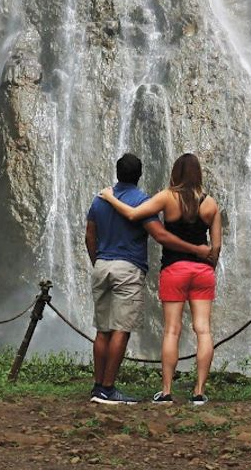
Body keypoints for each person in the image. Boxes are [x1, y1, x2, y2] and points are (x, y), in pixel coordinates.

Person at [85, 152, 211, 405]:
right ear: (140, 175)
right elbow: (160, 236)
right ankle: (107, 389)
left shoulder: (99, 200)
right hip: (127, 268)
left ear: (117, 172)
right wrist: (198, 250)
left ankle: (98, 385)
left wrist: (96, 260)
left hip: (102, 265)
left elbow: (90, 235)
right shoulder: (141, 200)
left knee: (103, 330)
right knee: (121, 328)